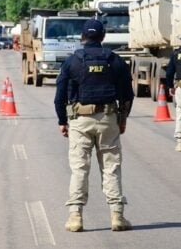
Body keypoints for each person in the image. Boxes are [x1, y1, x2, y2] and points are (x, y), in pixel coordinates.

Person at [54, 19, 134, 232]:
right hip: (109, 119)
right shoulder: (115, 60)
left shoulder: (73, 61)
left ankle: (75, 218)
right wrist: (123, 119)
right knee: (111, 167)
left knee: (79, 168)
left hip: (80, 121)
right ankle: (117, 216)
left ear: (82, 37)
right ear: (103, 37)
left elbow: (60, 95)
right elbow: (127, 94)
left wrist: (63, 121)